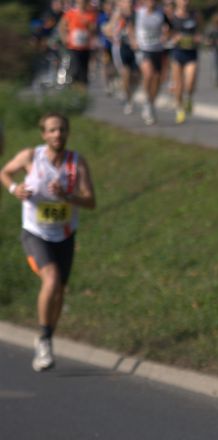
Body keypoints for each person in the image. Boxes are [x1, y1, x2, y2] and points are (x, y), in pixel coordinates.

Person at [0, 113, 97, 372]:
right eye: (52, 130)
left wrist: (68, 196)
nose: (57, 135)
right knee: (51, 280)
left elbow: (91, 201)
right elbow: (5, 172)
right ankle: (44, 339)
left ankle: (48, 336)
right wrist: (14, 189)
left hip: (64, 235)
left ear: (68, 133)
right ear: (44, 135)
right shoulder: (31, 157)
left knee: (59, 292)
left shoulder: (77, 163)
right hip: (35, 233)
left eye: (62, 130)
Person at [131, 0, 171, 125]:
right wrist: (133, 40)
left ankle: (151, 103)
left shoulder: (161, 14)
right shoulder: (138, 13)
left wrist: (166, 36)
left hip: (157, 49)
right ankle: (147, 103)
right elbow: (129, 26)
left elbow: (170, 27)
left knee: (157, 78)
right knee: (148, 74)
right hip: (143, 48)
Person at [169, 0, 202, 124]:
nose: (184, 2)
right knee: (178, 85)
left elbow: (200, 31)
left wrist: (198, 38)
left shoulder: (195, 15)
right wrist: (174, 38)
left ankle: (189, 98)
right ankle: (179, 109)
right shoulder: (172, 16)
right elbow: (167, 33)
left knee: (190, 82)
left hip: (191, 53)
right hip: (177, 53)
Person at [106, 0, 137, 113]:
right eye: (124, 2)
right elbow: (108, 30)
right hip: (121, 47)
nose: (127, 4)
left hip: (135, 48)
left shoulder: (136, 14)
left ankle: (129, 93)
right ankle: (128, 100)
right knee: (125, 74)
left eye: (129, 2)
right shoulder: (117, 15)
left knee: (135, 77)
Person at [59, 0, 99, 87]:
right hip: (73, 47)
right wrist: (64, 38)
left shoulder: (91, 14)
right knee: (76, 69)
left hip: (85, 47)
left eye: (85, 1)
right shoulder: (71, 13)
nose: (82, 3)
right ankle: (74, 88)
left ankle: (83, 90)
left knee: (84, 71)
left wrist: (89, 26)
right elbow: (62, 26)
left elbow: (93, 29)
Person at [203, 13, 218, 88]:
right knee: (214, 63)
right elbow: (206, 38)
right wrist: (209, 42)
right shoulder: (211, 28)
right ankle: (215, 79)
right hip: (213, 48)